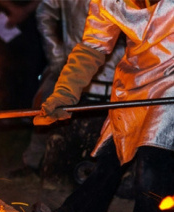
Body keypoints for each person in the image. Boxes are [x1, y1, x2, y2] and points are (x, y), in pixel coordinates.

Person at [32, 0, 174, 212]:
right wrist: (65, 92)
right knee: (111, 156)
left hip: (172, 85)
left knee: (153, 159)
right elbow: (91, 47)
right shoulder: (107, 1)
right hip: (134, 82)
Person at [11, 0, 124, 178]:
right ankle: (33, 161)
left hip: (116, 71)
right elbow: (45, 12)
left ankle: (124, 173)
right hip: (73, 64)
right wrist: (56, 55)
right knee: (46, 105)